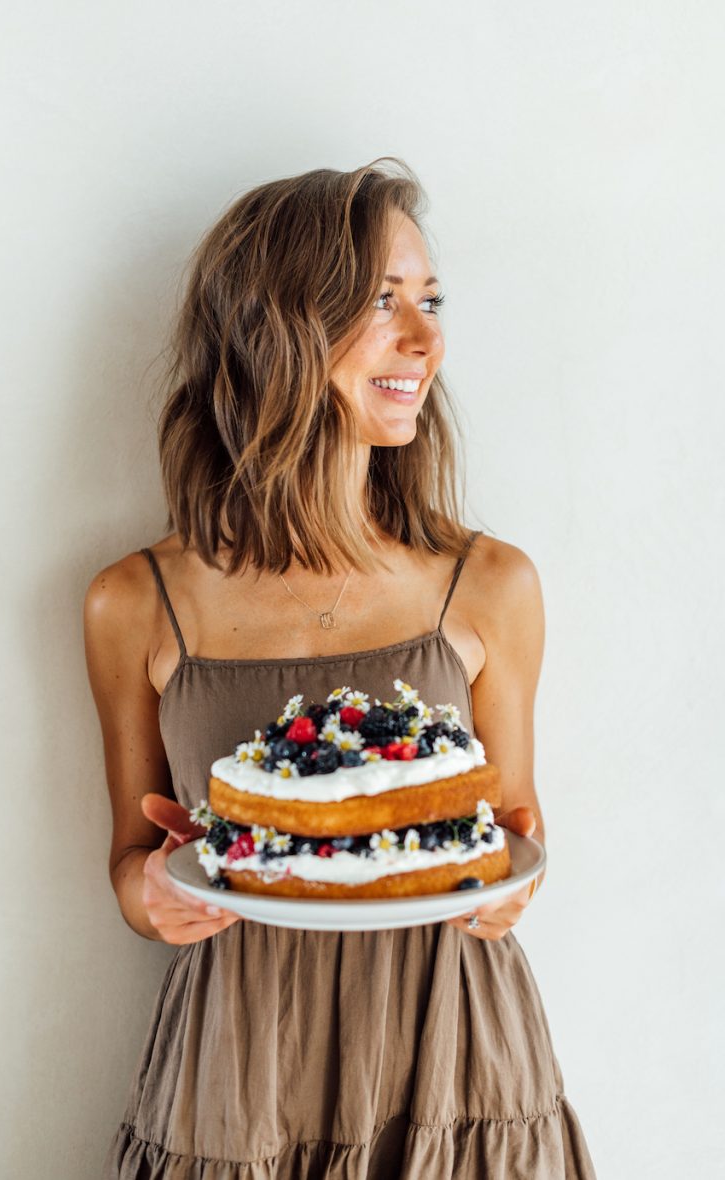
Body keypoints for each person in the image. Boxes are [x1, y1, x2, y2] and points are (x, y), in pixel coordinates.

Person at [84, 158, 596, 1178]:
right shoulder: (135, 601)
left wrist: (508, 886)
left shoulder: (489, 584)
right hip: (239, 1069)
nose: (426, 339)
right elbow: (131, 867)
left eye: (430, 300)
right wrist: (153, 892)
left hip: (454, 1063)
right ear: (280, 328)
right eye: (381, 301)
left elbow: (515, 826)